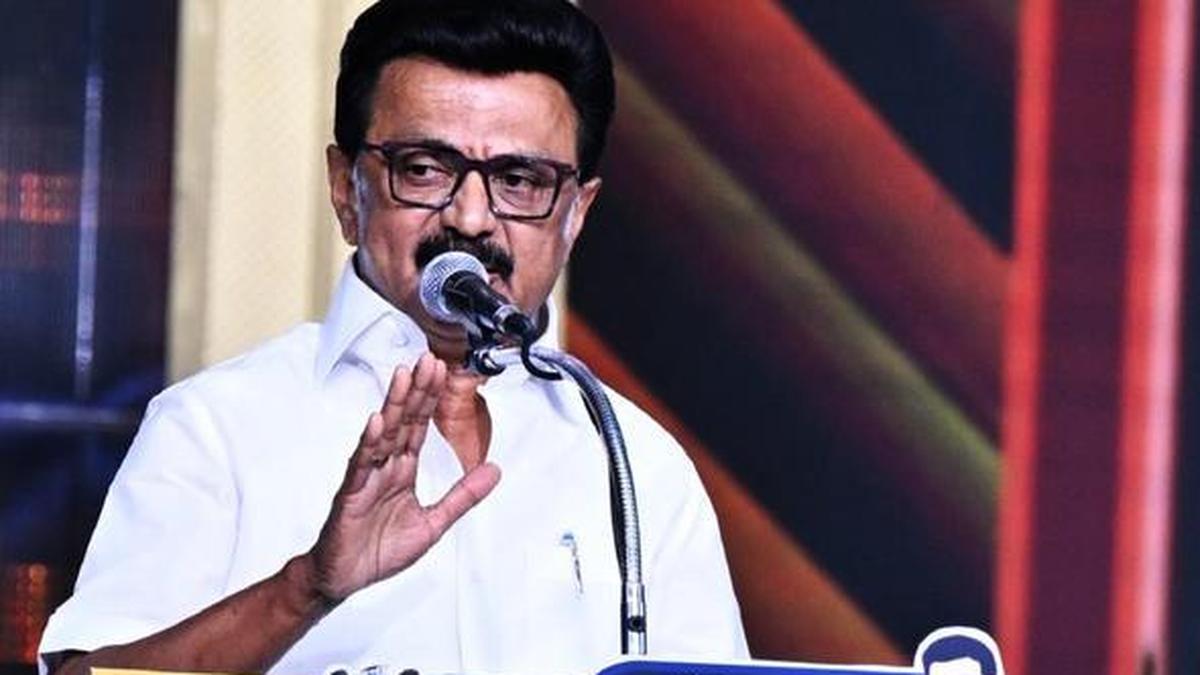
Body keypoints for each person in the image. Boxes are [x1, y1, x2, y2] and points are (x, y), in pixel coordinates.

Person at [37, 1, 748, 673]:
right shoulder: (217, 427)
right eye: (425, 169)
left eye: (520, 179)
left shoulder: (635, 462)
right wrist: (305, 588)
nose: (471, 218)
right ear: (345, 189)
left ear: (576, 213)